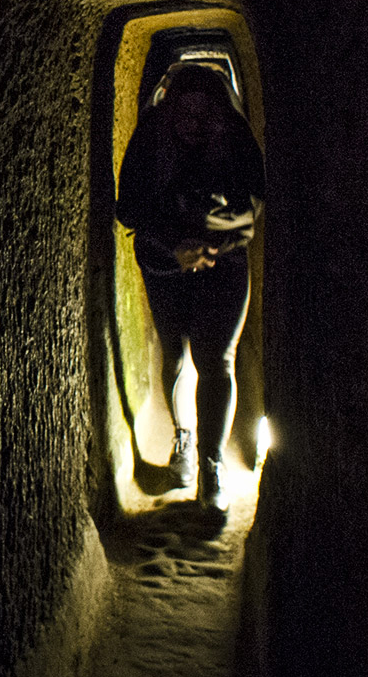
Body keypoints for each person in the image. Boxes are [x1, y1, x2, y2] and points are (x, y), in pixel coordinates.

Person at [114, 63, 265, 510]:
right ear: (171, 109)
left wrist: (215, 243)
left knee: (216, 359)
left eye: (205, 115)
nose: (195, 124)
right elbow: (128, 207)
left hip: (223, 261)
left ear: (219, 111)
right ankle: (184, 440)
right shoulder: (152, 136)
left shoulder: (234, 136)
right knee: (177, 353)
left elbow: (256, 200)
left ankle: (210, 467)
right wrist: (175, 245)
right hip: (165, 261)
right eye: (186, 114)